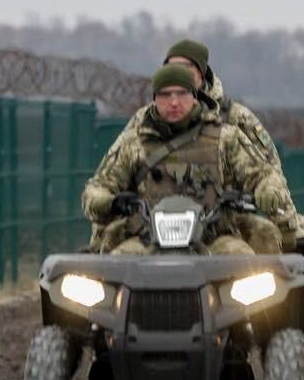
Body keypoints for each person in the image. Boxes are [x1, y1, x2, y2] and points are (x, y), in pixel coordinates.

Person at [106, 38, 304, 257]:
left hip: (223, 218)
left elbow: (267, 172)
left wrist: (279, 217)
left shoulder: (234, 118)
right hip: (156, 220)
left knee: (262, 250)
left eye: (186, 67)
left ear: (201, 72)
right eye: (171, 68)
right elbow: (111, 175)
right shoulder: (145, 121)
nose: (174, 102)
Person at [82, 64, 291, 256]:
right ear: (154, 98)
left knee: (242, 264)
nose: (174, 102)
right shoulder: (133, 142)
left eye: (181, 94)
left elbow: (265, 175)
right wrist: (109, 201)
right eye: (165, 95)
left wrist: (268, 191)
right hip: (145, 239)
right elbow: (98, 187)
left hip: (215, 238)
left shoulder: (226, 138)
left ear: (195, 96)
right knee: (117, 266)